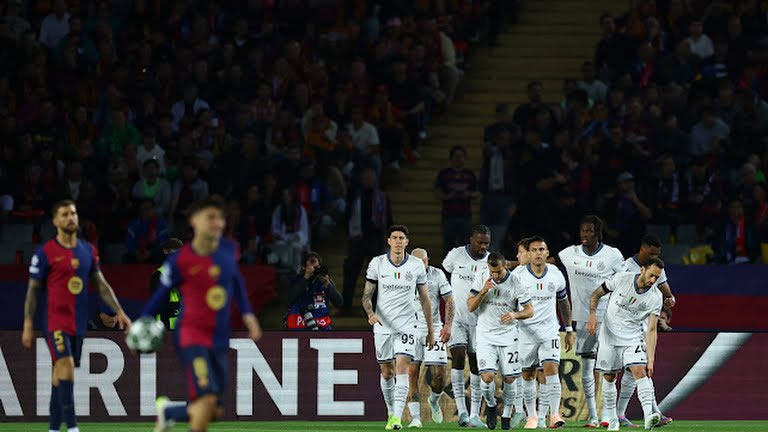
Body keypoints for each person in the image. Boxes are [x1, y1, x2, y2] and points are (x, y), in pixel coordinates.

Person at [144, 198, 262, 432]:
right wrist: (142, 321)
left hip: (219, 338)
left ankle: (168, 412)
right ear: (194, 221)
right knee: (206, 398)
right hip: (191, 335)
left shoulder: (229, 249)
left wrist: (248, 313)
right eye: (211, 217)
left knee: (215, 410)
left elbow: (236, 280)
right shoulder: (180, 259)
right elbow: (160, 296)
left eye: (220, 218)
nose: (217, 223)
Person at [21, 200, 132, 432]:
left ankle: (53, 429)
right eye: (64, 214)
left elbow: (101, 285)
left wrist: (120, 312)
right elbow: (33, 290)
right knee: (66, 364)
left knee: (59, 374)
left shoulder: (88, 251)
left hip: (77, 323)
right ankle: (72, 427)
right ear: (55, 221)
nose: (70, 217)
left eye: (73, 213)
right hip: (55, 321)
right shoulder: (45, 252)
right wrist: (28, 324)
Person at [361, 225, 435, 430]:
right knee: (387, 373)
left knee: (402, 368)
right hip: (383, 326)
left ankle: (396, 417)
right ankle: (390, 412)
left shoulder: (416, 265)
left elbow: (425, 299)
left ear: (407, 242)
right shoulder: (377, 263)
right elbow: (367, 295)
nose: (398, 241)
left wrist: (430, 330)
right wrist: (370, 314)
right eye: (394, 237)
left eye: (401, 238)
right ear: (389, 241)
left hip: (407, 325)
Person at [556, 215, 625, 427]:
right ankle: (593, 416)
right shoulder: (569, 253)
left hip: (607, 318)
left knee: (607, 368)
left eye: (589, 231)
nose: (585, 234)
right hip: (583, 319)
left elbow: (624, 281)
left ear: (598, 233)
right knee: (587, 368)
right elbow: (547, 262)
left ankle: (608, 415)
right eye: (582, 230)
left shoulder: (612, 255)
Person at [586, 259, 666, 431]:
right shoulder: (622, 279)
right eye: (651, 275)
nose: (653, 280)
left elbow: (652, 329)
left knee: (640, 371)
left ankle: (648, 417)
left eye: (657, 278)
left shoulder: (656, 297)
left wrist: (651, 359)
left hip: (632, 337)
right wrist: (592, 314)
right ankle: (613, 419)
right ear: (642, 269)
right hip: (609, 336)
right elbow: (596, 294)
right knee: (609, 377)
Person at [467, 251, 534, 430]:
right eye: (492, 272)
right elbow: (470, 306)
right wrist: (483, 291)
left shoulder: (515, 281)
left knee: (510, 378)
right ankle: (490, 405)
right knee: (487, 377)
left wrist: (515, 314)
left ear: (505, 266)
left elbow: (530, 310)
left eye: (498, 272)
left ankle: (506, 415)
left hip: (508, 335)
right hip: (485, 335)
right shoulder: (482, 277)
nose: (495, 276)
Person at [616, 234, 675, 428]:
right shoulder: (625, 267)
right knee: (630, 371)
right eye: (652, 254)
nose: (654, 258)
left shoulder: (656, 269)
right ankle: (631, 414)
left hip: (642, 325)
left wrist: (669, 300)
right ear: (642, 248)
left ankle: (629, 414)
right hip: (623, 326)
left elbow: (665, 290)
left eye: (657, 254)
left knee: (635, 371)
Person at [516, 236, 572, 429]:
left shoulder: (555, 274)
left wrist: (569, 329)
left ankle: (554, 414)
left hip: (549, 331)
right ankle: (532, 416)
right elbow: (509, 303)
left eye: (541, 249)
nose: (538, 253)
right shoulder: (518, 275)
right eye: (534, 250)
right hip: (525, 332)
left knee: (551, 370)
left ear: (547, 253)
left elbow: (563, 302)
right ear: (529, 254)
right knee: (528, 374)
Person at [442, 225, 491, 427]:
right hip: (458, 319)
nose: (483, 246)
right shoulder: (456, 255)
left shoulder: (490, 261)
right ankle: (462, 411)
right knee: (459, 357)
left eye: (486, 243)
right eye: (480, 242)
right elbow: (444, 276)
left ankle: (474, 415)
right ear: (471, 239)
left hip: (480, 322)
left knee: (477, 364)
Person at [406, 248, 455, 427]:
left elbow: (449, 300)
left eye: (424, 262)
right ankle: (415, 418)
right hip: (411, 328)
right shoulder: (404, 276)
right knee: (412, 372)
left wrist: (448, 325)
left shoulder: (437, 274)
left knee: (439, 376)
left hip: (434, 327)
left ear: (428, 261)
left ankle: (434, 400)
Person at [434, 146, 480, 255]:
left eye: (461, 156)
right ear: (451, 158)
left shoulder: (470, 175)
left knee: (465, 246)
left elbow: (478, 193)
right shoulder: (444, 174)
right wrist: (448, 196)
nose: (459, 159)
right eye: (456, 156)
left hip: (465, 215)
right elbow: (437, 192)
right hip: (448, 215)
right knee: (448, 245)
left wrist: (468, 194)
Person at [285, 251, 343, 331]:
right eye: (312, 267)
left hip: (322, 328)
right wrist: (305, 278)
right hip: (299, 328)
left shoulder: (325, 282)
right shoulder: (297, 280)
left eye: (317, 267)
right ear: (304, 267)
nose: (315, 270)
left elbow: (339, 303)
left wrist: (328, 285)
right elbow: (290, 299)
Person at [150, 238, 184, 330]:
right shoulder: (158, 275)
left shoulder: (184, 274)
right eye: (173, 254)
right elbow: (157, 302)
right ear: (165, 251)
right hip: (164, 326)